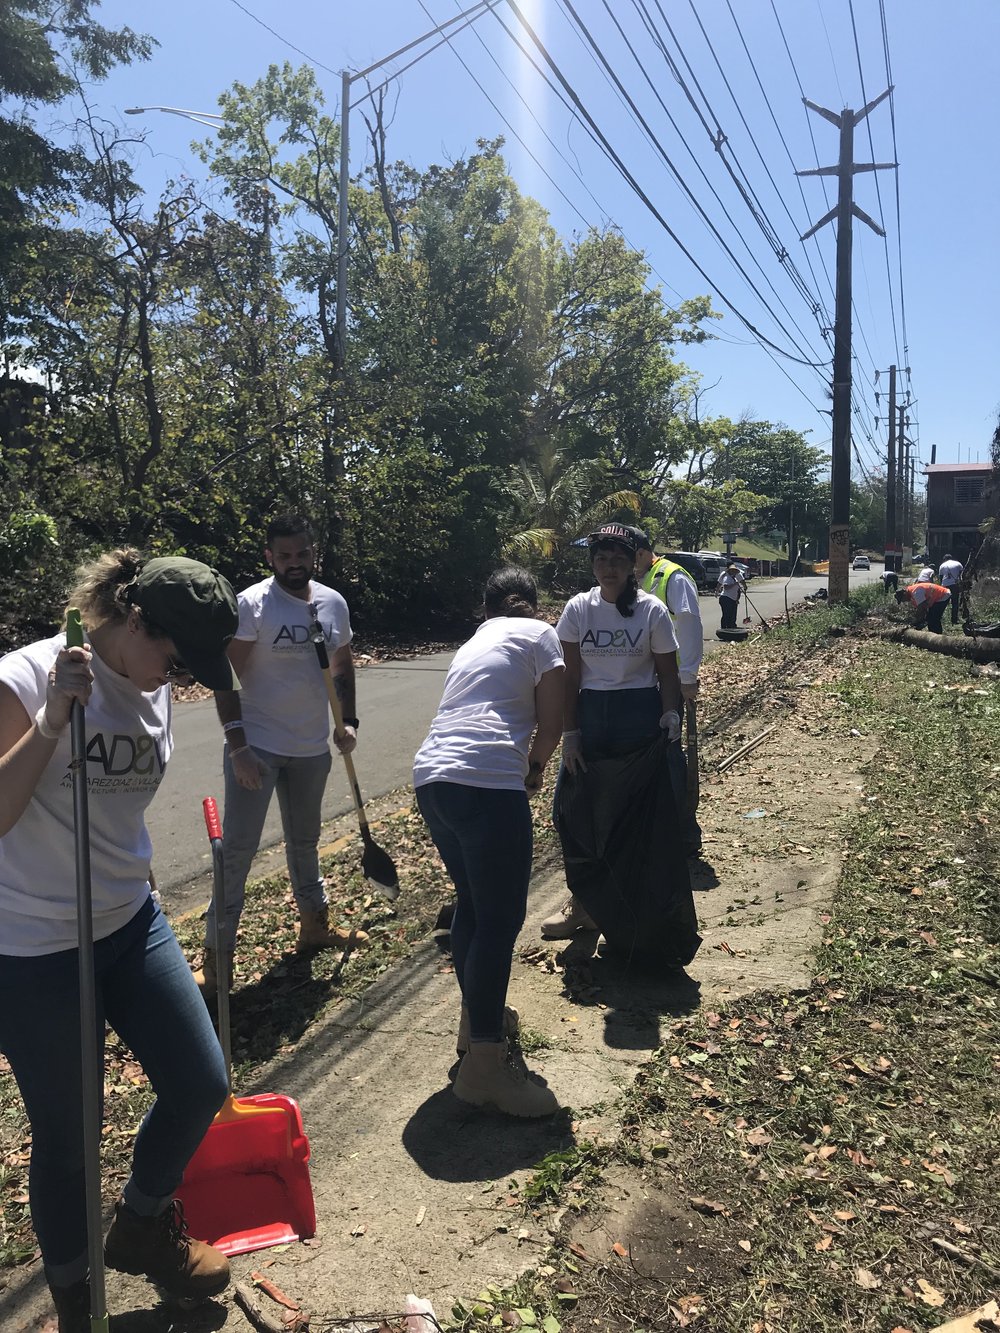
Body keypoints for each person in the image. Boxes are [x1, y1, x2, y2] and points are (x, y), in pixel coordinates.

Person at [0, 550, 238, 1331]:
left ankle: (141, 1222)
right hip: (33, 941)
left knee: (201, 1079)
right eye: (174, 658)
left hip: (128, 918)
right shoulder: (28, 677)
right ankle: (78, 1302)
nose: (179, 679)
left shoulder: (154, 681)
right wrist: (51, 724)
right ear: (136, 620)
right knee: (69, 1135)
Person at [413, 567, 564, 1117]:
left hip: (434, 777)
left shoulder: (475, 640)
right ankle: (484, 1067)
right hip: (486, 779)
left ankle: (477, 1018)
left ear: (487, 608)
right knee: (499, 920)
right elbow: (553, 719)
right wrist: (537, 768)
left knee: (473, 906)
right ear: (534, 604)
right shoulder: (541, 634)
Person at [200, 514, 367, 994]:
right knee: (237, 851)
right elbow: (225, 677)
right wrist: (238, 747)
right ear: (270, 557)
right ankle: (217, 959)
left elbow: (342, 665)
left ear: (313, 553)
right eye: (285, 556)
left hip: (312, 747)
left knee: (305, 840)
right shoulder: (253, 604)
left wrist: (349, 721)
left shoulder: (332, 602)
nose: (295, 564)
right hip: (259, 747)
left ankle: (314, 924)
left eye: (303, 554)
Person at [541, 525, 701, 971]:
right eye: (600, 560)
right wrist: (570, 734)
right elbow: (570, 678)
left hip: (638, 721)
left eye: (616, 559)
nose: (607, 568)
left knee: (635, 821)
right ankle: (584, 905)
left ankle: (634, 915)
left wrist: (670, 713)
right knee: (574, 815)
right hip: (593, 718)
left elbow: (667, 673)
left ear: (632, 564)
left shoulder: (650, 610)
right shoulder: (578, 609)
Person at [629, 526, 703, 857]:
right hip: (645, 683)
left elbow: (689, 625)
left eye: (627, 557)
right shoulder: (640, 581)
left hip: (671, 681)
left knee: (672, 755)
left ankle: (684, 832)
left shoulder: (672, 577)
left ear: (642, 553)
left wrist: (687, 676)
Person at [937, 553, 965, 625]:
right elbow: (962, 574)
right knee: (955, 603)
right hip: (955, 585)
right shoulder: (958, 564)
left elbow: (941, 578)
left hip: (945, 586)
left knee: (943, 603)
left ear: (945, 559)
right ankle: (954, 620)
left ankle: (939, 618)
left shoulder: (942, 566)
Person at [716, 563, 746, 629]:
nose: (733, 572)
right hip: (726, 598)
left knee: (732, 614)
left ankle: (731, 626)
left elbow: (738, 590)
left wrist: (737, 599)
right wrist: (734, 584)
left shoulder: (735, 578)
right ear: (729, 571)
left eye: (735, 571)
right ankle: (724, 628)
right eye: (732, 570)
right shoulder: (727, 577)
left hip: (733, 599)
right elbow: (726, 587)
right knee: (726, 614)